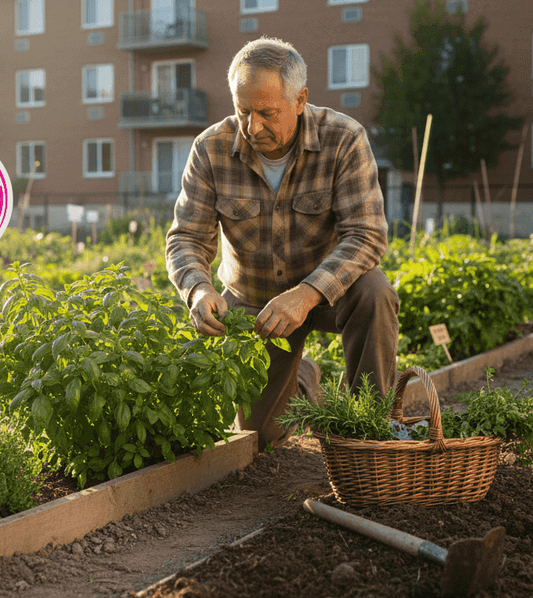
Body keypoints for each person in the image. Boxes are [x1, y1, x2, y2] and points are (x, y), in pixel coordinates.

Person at [166, 36, 399, 449]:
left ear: (299, 99)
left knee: (374, 291)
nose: (253, 126)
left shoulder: (343, 139)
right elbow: (185, 237)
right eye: (243, 112)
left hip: (329, 293)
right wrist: (198, 289)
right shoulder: (211, 149)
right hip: (254, 303)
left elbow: (367, 234)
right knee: (262, 437)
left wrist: (306, 294)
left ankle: (370, 428)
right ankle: (304, 376)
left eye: (267, 113)